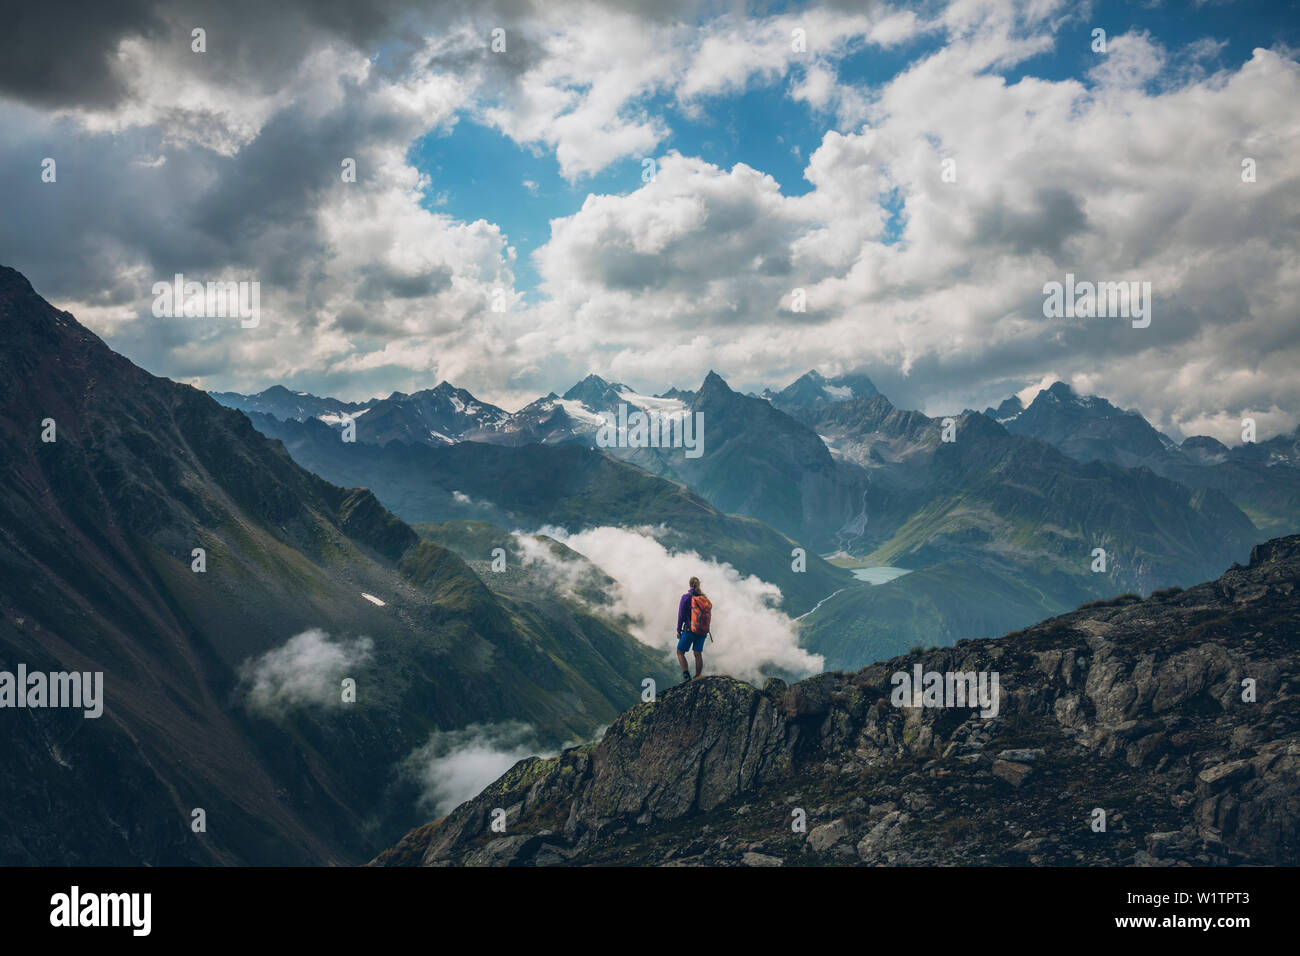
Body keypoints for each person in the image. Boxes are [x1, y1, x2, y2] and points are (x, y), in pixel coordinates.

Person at [675, 576, 712, 682]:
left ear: (690, 584)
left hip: (689, 630)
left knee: (680, 652)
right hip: (702, 631)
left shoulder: (686, 597)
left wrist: (678, 630)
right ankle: (698, 677)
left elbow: (681, 615)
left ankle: (686, 676)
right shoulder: (704, 599)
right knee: (697, 653)